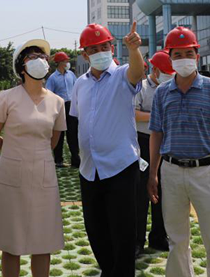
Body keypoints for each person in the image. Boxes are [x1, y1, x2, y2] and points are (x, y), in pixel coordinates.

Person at [147, 27, 210, 277]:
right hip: (171, 171)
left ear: (197, 56)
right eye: (177, 54)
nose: (184, 59)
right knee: (176, 239)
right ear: (170, 59)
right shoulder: (162, 93)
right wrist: (153, 173)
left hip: (205, 172)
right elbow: (156, 134)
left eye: (188, 53)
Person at [0, 39, 67, 277]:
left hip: (43, 173)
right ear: (22, 67)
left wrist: (34, 154)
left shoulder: (57, 102)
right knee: (11, 241)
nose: (39, 61)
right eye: (32, 57)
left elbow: (53, 141)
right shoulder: (6, 97)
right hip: (11, 173)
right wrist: (15, 151)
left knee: (43, 240)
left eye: (42, 57)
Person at [70, 22, 145, 277]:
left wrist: (134, 50)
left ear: (112, 48)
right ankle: (108, 271)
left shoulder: (123, 75)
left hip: (120, 167)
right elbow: (78, 119)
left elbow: (137, 72)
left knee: (123, 234)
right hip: (89, 170)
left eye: (104, 46)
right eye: (93, 49)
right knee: (96, 230)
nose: (100, 52)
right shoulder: (80, 84)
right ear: (85, 55)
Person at [134, 50, 172, 254]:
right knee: (141, 193)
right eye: (165, 72)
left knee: (163, 193)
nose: (168, 76)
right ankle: (137, 240)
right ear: (155, 70)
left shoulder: (172, 88)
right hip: (143, 142)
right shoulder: (141, 87)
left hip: (165, 144)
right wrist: (155, 116)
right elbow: (133, 113)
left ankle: (159, 236)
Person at [46, 51, 79, 168]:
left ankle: (75, 160)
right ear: (60, 62)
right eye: (66, 61)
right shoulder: (52, 78)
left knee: (73, 134)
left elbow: (77, 88)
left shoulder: (71, 75)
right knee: (59, 134)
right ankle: (58, 160)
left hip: (71, 106)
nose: (67, 63)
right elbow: (49, 94)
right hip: (59, 107)